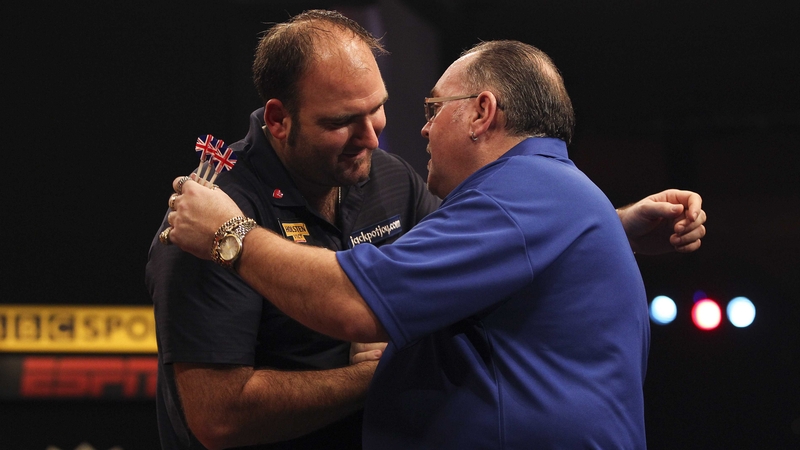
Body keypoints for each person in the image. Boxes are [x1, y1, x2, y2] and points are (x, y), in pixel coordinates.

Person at [149, 10, 706, 450]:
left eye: (385, 109)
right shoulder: (206, 213)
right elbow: (217, 418)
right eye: (341, 120)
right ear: (278, 120)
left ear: (482, 113)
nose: (375, 136)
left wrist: (235, 239)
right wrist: (607, 227)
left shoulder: (393, 182)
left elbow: (369, 295)